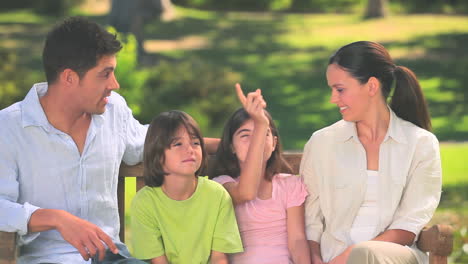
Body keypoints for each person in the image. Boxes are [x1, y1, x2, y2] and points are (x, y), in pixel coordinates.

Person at [0, 16, 218, 263]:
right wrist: (56, 218)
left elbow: (156, 140)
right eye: (105, 74)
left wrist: (231, 144)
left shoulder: (114, 110)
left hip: (112, 256)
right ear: (69, 77)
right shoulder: (9, 127)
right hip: (48, 258)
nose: (115, 84)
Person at [300, 41, 442, 264]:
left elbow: (408, 224)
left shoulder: (421, 144)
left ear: (372, 86)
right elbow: (310, 221)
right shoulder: (322, 143)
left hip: (395, 256)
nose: (333, 99)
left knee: (365, 254)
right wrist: (316, 259)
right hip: (331, 257)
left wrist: (349, 257)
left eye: (340, 89)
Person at [209, 84, 311, 264]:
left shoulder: (289, 185)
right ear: (231, 146)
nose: (255, 140)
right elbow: (245, 193)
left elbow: (297, 241)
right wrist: (261, 123)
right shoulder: (222, 185)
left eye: (263, 133)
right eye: (245, 135)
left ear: (274, 143)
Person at [130, 110, 243, 263]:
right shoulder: (144, 202)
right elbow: (158, 262)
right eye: (178, 144)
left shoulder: (217, 195)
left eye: (195, 143)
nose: (190, 149)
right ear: (157, 154)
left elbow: (219, 258)